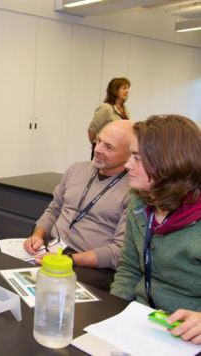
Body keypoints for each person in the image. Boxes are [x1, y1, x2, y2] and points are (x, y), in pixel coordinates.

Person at [110, 115, 201, 345]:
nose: (127, 164)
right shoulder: (139, 202)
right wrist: (111, 313)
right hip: (141, 322)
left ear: (169, 163)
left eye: (137, 158)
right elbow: (129, 268)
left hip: (187, 336)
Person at [23, 120, 133, 291]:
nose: (97, 149)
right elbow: (54, 210)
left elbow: (119, 251)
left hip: (92, 267)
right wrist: (38, 235)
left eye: (109, 147)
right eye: (99, 140)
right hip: (54, 249)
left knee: (44, 286)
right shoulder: (76, 170)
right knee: (6, 268)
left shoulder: (133, 191)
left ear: (129, 155)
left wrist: (71, 259)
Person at [88, 77, 131, 159]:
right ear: (115, 90)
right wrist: (96, 145)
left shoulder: (125, 110)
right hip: (103, 150)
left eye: (128, 88)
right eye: (124, 88)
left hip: (117, 150)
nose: (127, 91)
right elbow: (92, 131)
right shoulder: (106, 108)